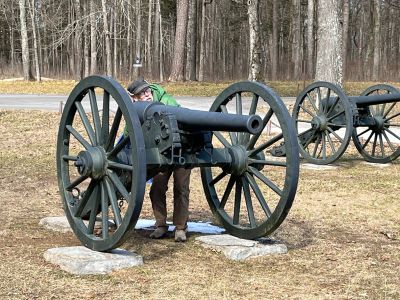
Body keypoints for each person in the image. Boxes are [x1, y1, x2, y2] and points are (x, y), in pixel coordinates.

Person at [127, 78, 191, 242]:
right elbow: (129, 132)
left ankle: (180, 228)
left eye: (147, 91)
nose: (147, 95)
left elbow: (182, 117)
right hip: (159, 153)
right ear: (134, 98)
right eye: (141, 94)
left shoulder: (166, 100)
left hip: (182, 149)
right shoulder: (135, 109)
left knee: (181, 189)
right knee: (157, 188)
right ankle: (161, 224)